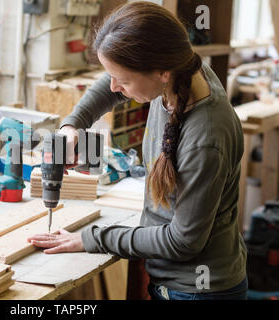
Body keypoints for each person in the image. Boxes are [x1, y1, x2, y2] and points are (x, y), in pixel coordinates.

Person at [27, 1, 248, 300]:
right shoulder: (182, 72)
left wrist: (91, 238)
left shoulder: (205, 136)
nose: (115, 87)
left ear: (161, 72)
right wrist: (72, 127)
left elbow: (181, 242)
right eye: (113, 75)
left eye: (125, 80)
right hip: (173, 281)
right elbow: (110, 83)